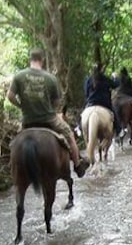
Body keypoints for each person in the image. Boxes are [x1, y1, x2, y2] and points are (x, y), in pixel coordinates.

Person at [7, 48, 89, 178]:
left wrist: (21, 106)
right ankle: (78, 165)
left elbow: (10, 96)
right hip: (48, 119)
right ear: (42, 60)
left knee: (14, 143)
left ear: (30, 59)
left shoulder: (19, 76)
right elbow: (56, 103)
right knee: (69, 134)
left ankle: (12, 168)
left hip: (27, 120)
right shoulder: (50, 78)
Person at [84, 64, 122, 137]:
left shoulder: (88, 79)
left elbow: (86, 92)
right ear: (101, 70)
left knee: (84, 112)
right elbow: (115, 85)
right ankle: (119, 130)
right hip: (105, 103)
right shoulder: (105, 78)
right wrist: (115, 77)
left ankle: (79, 127)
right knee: (114, 113)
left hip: (91, 102)